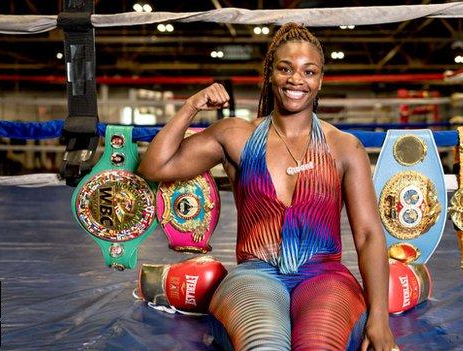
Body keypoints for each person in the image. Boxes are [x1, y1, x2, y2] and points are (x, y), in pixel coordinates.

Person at [139, 23, 397, 351]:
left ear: (320, 80)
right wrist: (192, 106)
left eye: (309, 71)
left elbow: (369, 235)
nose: (296, 80)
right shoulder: (236, 135)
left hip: (324, 276)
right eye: (285, 68)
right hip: (255, 275)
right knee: (265, 346)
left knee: (318, 345)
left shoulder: (344, 147)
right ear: (270, 73)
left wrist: (379, 318)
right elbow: (154, 167)